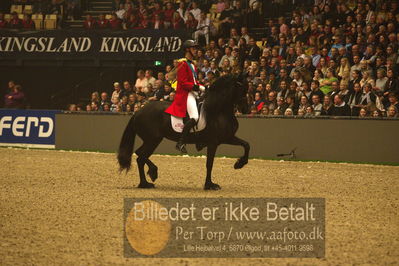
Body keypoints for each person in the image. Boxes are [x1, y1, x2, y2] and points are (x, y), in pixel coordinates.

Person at [165, 40, 203, 153]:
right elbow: (182, 83)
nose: (196, 50)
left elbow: (194, 81)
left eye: (196, 48)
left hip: (193, 92)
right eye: (194, 48)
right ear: (187, 49)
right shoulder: (183, 64)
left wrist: (203, 87)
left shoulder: (192, 65)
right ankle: (181, 142)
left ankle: (198, 140)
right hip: (186, 94)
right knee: (195, 117)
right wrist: (196, 87)